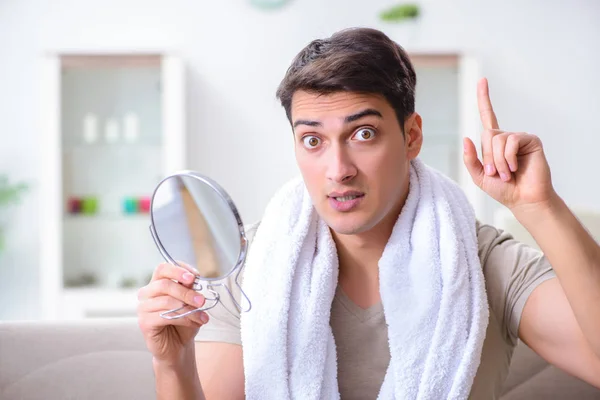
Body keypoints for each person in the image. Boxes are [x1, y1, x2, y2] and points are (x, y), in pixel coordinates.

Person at [136, 27, 600, 399]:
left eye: (363, 134)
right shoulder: (249, 269)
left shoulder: (485, 263)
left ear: (412, 136)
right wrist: (170, 363)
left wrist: (540, 207)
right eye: (313, 140)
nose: (338, 170)